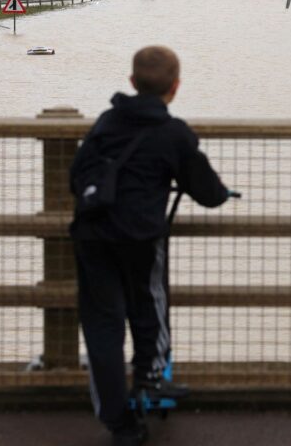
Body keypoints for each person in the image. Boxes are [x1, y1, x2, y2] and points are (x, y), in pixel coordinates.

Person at [69, 45, 230, 444]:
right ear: (175, 87)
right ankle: (150, 380)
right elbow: (208, 193)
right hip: (140, 239)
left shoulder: (107, 121)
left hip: (92, 235)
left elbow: (76, 175)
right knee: (149, 306)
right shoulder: (173, 134)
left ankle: (119, 423)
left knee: (103, 329)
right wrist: (224, 193)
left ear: (131, 83)